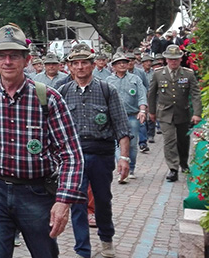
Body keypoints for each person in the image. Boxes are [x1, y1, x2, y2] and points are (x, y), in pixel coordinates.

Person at [0, 23, 84, 258]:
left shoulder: (48, 98)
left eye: (14, 56)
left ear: (26, 60)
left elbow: (72, 155)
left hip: (36, 194)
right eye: (1, 56)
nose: (8, 62)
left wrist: (63, 202)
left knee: (44, 254)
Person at [58, 43, 130, 258]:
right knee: (77, 203)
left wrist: (124, 157)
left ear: (92, 65)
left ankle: (106, 239)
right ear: (69, 67)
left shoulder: (107, 90)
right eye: (75, 63)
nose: (80, 67)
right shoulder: (63, 92)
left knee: (102, 200)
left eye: (84, 63)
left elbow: (121, 126)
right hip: (74, 157)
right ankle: (83, 250)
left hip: (101, 155)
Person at [148, 44, 202, 182]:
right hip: (165, 113)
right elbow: (152, 94)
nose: (173, 62)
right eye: (171, 59)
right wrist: (152, 112)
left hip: (182, 112)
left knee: (183, 140)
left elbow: (195, 94)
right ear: (166, 59)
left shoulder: (188, 74)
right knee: (169, 140)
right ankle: (173, 168)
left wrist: (197, 113)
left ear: (180, 59)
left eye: (176, 59)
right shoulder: (158, 73)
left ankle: (183, 162)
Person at [105, 52, 148, 183]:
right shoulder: (108, 81)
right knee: (117, 144)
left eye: (124, 62)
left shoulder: (135, 79)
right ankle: (122, 170)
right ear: (113, 66)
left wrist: (142, 110)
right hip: (114, 118)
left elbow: (142, 95)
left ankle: (131, 168)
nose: (122, 65)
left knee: (132, 145)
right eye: (119, 63)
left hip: (132, 116)